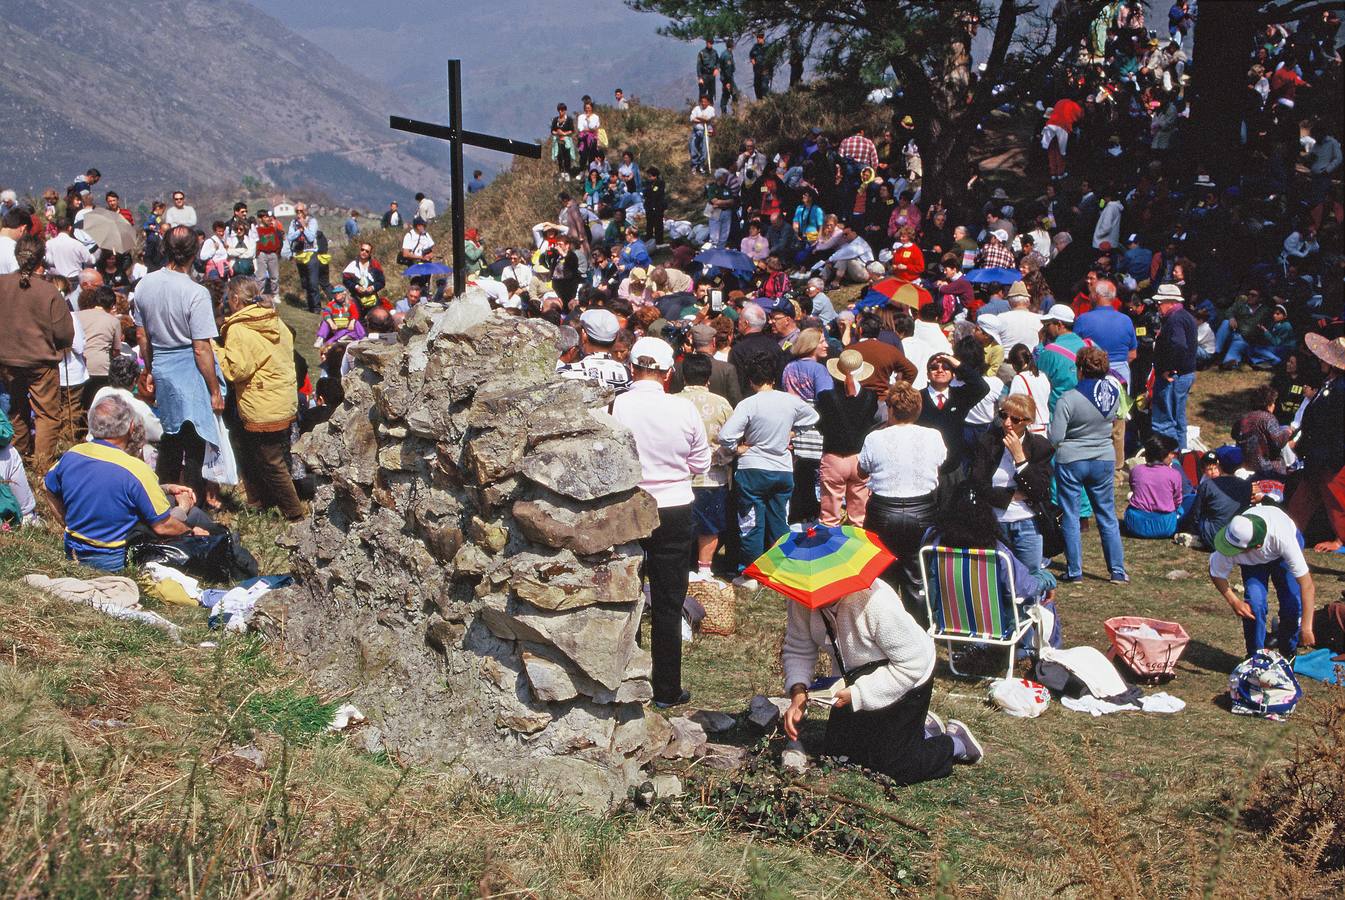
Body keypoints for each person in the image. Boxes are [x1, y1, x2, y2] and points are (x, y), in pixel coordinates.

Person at [781, 573, 978, 787]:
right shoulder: (803, 597)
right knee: (839, 757)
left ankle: (955, 743)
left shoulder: (875, 601)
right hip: (856, 677)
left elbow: (913, 662)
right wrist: (798, 692)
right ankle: (921, 729)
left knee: (895, 768)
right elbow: (798, 648)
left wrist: (859, 694)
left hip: (909, 676)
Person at [611, 336, 709, 708]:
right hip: (673, 505)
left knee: (625, 594)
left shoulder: (618, 405)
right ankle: (667, 688)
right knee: (669, 601)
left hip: (631, 504)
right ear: (669, 373)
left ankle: (627, 677)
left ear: (632, 368)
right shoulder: (683, 410)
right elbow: (700, 463)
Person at [43, 395, 206, 571]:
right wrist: (187, 518)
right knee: (193, 515)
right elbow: (163, 526)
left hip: (74, 551)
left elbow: (48, 487)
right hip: (114, 559)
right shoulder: (135, 469)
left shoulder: (72, 454)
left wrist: (67, 523)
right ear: (131, 427)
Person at [132, 226, 224, 500]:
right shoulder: (196, 292)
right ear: (194, 252)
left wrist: (149, 368)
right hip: (189, 369)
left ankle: (163, 498)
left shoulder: (144, 284)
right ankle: (192, 504)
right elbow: (201, 348)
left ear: (164, 249)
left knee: (170, 438)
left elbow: (142, 335)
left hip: (162, 363)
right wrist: (215, 389)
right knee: (195, 442)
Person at [719, 354, 819, 585]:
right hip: (782, 469)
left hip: (753, 467)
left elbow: (726, 436)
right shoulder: (791, 401)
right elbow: (813, 416)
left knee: (751, 523)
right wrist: (793, 433)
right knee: (779, 521)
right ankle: (780, 570)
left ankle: (752, 572)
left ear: (751, 381)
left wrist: (737, 448)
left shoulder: (749, 403)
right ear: (774, 378)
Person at [213, 279, 304, 521]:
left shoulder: (239, 329)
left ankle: (295, 514)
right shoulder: (275, 321)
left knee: (272, 461)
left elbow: (235, 370)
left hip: (261, 404)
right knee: (268, 454)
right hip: (281, 397)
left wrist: (215, 349)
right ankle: (265, 501)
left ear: (234, 300)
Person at [859, 381, 945, 606]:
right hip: (922, 510)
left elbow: (861, 470)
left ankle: (882, 626)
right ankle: (917, 629)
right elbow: (941, 461)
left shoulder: (875, 437)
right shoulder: (933, 435)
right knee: (917, 576)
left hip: (884, 511)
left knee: (882, 575)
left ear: (890, 409)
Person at [1049, 346, 1128, 584]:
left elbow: (1056, 437)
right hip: (1103, 456)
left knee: (1071, 515)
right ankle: (1117, 571)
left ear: (1080, 369)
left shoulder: (1069, 398)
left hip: (1072, 458)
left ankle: (1075, 571)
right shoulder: (1114, 392)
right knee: (1107, 515)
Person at [969, 393, 1055, 594]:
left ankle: (1034, 610)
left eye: (1015, 419)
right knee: (997, 580)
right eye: (1003, 415)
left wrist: (1020, 458)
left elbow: (1040, 491)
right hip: (995, 522)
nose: (1007, 423)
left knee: (1028, 579)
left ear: (1028, 422)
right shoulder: (988, 441)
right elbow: (977, 484)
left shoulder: (1040, 446)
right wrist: (1010, 496)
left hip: (1027, 523)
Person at [0, 235, 75, 461]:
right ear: (41, 258)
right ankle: (42, 468)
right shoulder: (49, 291)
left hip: (7, 361)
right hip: (41, 362)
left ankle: (18, 458)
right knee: (47, 415)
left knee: (17, 410)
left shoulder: (2, 284)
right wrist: (60, 345)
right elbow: (63, 333)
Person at [1209, 504, 1316, 659]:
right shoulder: (1232, 538)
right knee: (1254, 604)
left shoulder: (1283, 538)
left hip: (1280, 553)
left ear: (1256, 546)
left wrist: (1306, 628)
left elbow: (1307, 585)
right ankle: (1255, 658)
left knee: (1291, 604)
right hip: (1254, 563)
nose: (1231, 552)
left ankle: (1288, 653)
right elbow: (1216, 572)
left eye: (1237, 550)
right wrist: (1234, 602)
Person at [1286, 334, 1345, 552]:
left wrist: (1335, 460)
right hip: (1317, 459)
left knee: (1340, 510)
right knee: (1300, 505)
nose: (1321, 361)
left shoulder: (1340, 390)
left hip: (1330, 462)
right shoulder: (1329, 386)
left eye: (1325, 359)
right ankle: (1283, 545)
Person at [680, 353, 734, 579]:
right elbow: (732, 438)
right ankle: (704, 568)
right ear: (708, 378)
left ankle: (680, 564)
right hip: (712, 475)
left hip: (679, 475)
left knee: (680, 524)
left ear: (684, 377)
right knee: (710, 524)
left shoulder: (673, 401)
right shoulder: (721, 404)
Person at [816, 350, 877, 527]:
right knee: (859, 517)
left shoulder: (825, 397)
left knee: (829, 517)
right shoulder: (871, 397)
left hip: (833, 458)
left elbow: (820, 425)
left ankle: (829, 551)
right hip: (859, 458)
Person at [916, 352, 990, 475]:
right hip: (923, 466)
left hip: (952, 467)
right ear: (928, 374)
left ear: (953, 374)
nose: (940, 370)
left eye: (946, 367)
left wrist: (956, 363)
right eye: (934, 368)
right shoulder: (916, 397)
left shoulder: (960, 396)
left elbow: (982, 387)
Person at [1150, 283, 1197, 450]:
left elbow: (1179, 345)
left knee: (1164, 421)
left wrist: (1169, 368)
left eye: (1159, 302)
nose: (1157, 306)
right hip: (1185, 374)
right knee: (1178, 420)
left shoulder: (1175, 319)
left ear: (1170, 301)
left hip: (1175, 376)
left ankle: (1167, 459)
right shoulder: (1185, 316)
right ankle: (1181, 456)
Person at [1123, 435, 1184, 539]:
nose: (1173, 456)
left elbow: (1134, 490)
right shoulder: (1174, 474)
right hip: (1165, 527)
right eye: (1171, 453)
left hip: (1135, 525)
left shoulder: (1136, 470)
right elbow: (1177, 501)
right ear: (1163, 454)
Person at [1190, 451, 1252, 551]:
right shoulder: (1247, 485)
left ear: (1220, 466)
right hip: (1237, 538)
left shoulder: (1208, 485)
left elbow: (1196, 514)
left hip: (1213, 538)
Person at [76, 285, 121, 409]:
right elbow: (116, 351)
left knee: (80, 407)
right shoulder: (114, 321)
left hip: (80, 367)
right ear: (112, 304)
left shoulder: (76, 316)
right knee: (99, 407)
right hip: (102, 368)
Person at [283, 203, 323, 312]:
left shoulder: (312, 221)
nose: (299, 213)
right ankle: (309, 305)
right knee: (305, 282)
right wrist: (299, 230)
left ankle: (316, 307)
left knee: (313, 282)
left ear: (306, 211)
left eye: (301, 211)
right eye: (297, 211)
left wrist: (304, 226)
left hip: (310, 253)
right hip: (299, 254)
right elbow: (290, 237)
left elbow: (310, 237)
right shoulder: (293, 223)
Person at [1005, 344, 1051, 435]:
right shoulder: (1043, 376)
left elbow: (1014, 407)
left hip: (1029, 428)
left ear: (1015, 364)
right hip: (1045, 427)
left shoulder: (1019, 379)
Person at [749, 32, 774, 100]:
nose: (758, 39)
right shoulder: (755, 47)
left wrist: (770, 71)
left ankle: (766, 101)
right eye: (757, 37)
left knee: (764, 87)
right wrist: (752, 59)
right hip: (757, 71)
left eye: (759, 37)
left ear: (763, 38)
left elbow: (772, 59)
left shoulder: (768, 46)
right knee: (757, 87)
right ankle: (759, 102)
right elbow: (751, 55)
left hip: (765, 71)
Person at [696, 37, 719, 107]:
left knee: (711, 94)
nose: (710, 45)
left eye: (711, 43)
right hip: (704, 76)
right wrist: (700, 78)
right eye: (709, 43)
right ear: (706, 43)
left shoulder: (715, 52)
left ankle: (711, 111)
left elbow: (718, 62)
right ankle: (700, 111)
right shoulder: (702, 53)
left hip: (712, 76)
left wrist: (717, 69)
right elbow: (698, 66)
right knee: (702, 95)